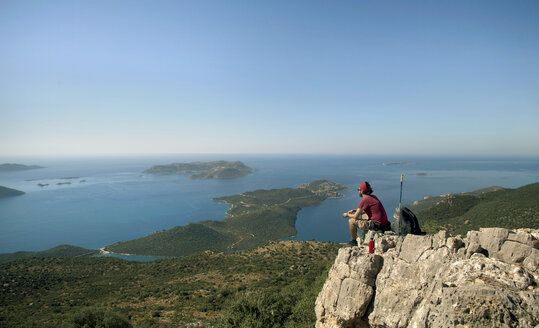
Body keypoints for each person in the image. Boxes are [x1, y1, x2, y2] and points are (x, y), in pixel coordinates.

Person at [342, 181, 390, 246]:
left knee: (351, 221)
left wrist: (347, 215)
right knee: (363, 214)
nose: (358, 191)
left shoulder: (364, 200)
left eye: (358, 190)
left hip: (376, 225)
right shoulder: (373, 197)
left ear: (362, 191)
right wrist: (354, 210)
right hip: (384, 224)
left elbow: (355, 216)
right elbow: (365, 210)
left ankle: (353, 241)